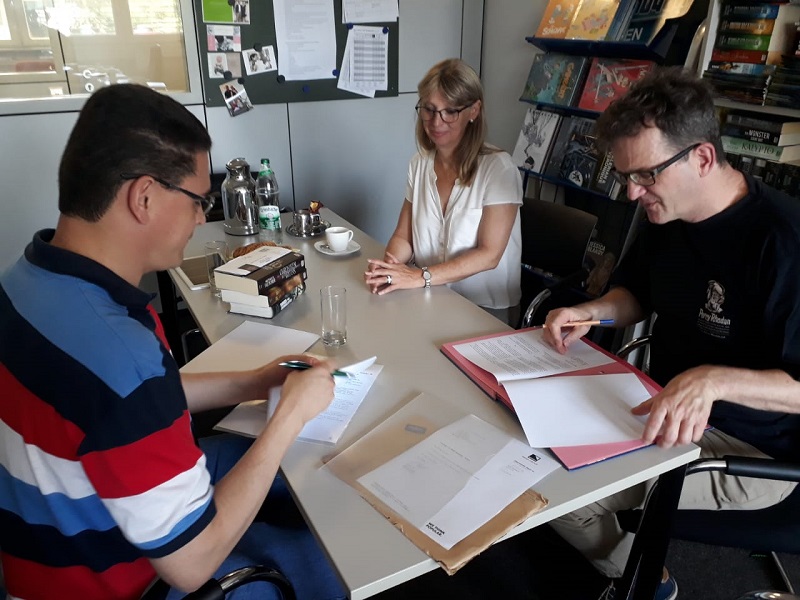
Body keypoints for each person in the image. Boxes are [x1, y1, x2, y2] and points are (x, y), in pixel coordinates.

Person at [0, 84, 345, 600]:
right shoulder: (118, 355)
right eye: (198, 201)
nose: (202, 218)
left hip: (54, 543)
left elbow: (138, 399)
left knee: (285, 464)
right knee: (336, 554)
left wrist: (258, 380)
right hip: (123, 579)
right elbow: (191, 564)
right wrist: (288, 416)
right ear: (143, 197)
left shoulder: (27, 281)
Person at [542, 67, 800, 600]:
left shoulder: (783, 243)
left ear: (702, 157)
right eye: (626, 177)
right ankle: (639, 572)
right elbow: (637, 292)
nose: (633, 193)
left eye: (645, 176)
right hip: (657, 405)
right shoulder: (668, 214)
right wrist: (595, 311)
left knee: (564, 495)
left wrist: (712, 380)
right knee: (534, 455)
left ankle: (647, 585)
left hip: (756, 449)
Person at [364, 58, 523, 326]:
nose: (436, 121)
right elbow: (404, 237)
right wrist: (388, 268)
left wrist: (417, 277)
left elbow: (489, 255)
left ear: (474, 111)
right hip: (432, 295)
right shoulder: (420, 163)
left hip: (483, 308)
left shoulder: (499, 168)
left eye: (450, 111)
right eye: (429, 109)